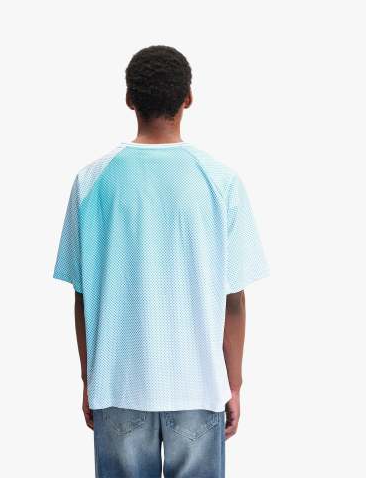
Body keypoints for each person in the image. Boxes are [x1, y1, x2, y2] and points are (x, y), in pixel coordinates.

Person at [53, 45, 269, 477]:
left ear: (129, 99)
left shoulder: (90, 181)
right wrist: (234, 382)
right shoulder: (220, 181)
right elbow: (234, 300)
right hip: (199, 384)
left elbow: (82, 295)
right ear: (188, 98)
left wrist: (88, 379)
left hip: (118, 383)